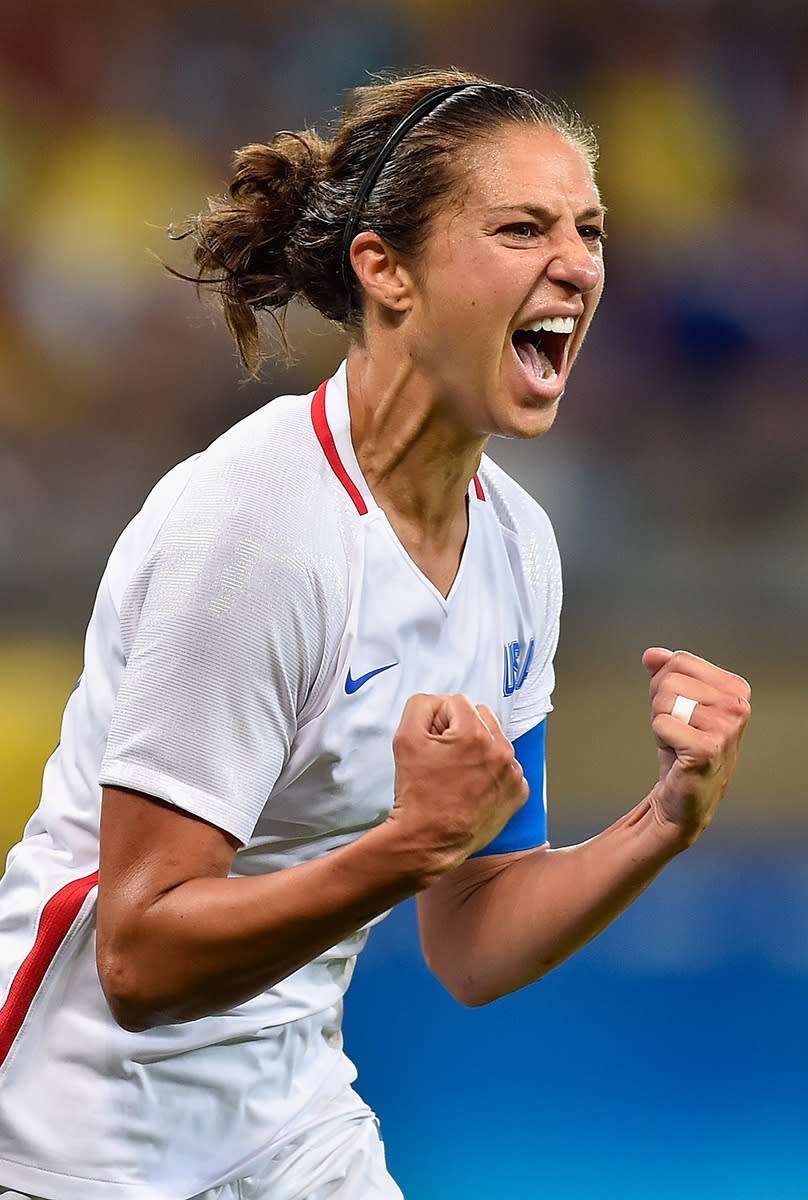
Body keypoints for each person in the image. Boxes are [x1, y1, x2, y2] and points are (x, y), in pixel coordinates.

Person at [0, 67, 750, 1200]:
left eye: (590, 229)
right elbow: (139, 957)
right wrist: (405, 846)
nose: (579, 263)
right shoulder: (256, 532)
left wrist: (662, 821)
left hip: (293, 1130)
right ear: (384, 269)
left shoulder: (518, 546)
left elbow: (472, 935)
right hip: (76, 1140)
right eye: (521, 227)